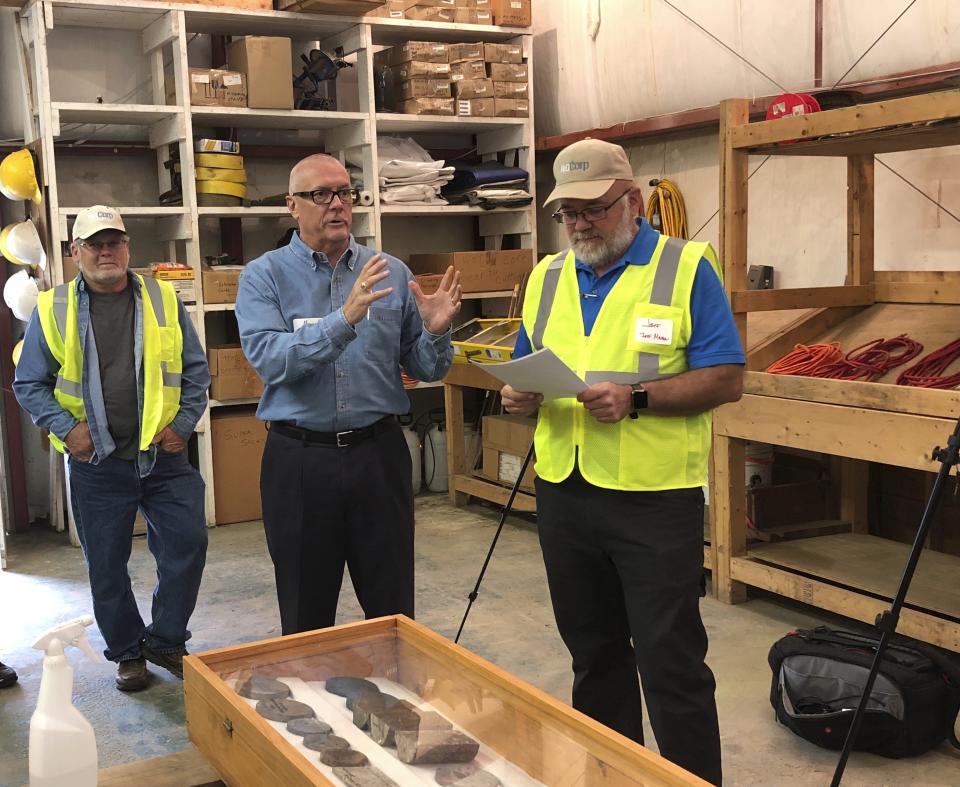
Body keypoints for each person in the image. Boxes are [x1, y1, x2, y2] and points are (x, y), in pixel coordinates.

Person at [501, 139, 744, 786]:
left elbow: (726, 377)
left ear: (632, 201)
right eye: (568, 213)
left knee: (672, 666)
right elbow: (527, 364)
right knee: (594, 658)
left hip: (652, 500)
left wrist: (640, 397)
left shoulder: (686, 268)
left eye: (594, 209)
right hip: (565, 493)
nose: (580, 224)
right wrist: (517, 394)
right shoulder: (548, 277)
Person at [235, 154, 462, 635]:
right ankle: (309, 708)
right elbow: (273, 361)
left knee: (392, 607)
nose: (336, 204)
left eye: (345, 193)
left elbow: (421, 368)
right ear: (292, 205)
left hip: (378, 457)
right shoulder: (263, 277)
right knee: (304, 609)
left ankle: (392, 709)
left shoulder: (392, 273)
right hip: (300, 460)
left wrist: (437, 333)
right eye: (321, 194)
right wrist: (344, 319)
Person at [14, 206, 210, 692]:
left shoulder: (163, 299)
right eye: (94, 244)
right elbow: (29, 383)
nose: (106, 252)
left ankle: (165, 639)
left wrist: (182, 426)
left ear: (127, 247)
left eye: (114, 242)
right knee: (106, 565)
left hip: (163, 457)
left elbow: (195, 372)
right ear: (75, 252)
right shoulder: (52, 308)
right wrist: (68, 429)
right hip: (97, 462)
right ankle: (127, 652)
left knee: (188, 544)